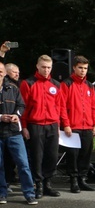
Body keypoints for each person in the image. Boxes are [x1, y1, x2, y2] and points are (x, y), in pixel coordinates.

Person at [20, 55, 71, 198]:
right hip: (35, 125)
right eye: (43, 67)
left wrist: (62, 125)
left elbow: (60, 106)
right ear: (37, 66)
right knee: (37, 156)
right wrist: (24, 127)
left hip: (52, 125)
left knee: (52, 156)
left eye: (49, 67)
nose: (46, 70)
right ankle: (39, 185)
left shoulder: (56, 84)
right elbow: (23, 107)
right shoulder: (28, 83)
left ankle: (48, 183)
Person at [60, 56, 95, 193]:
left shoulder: (89, 85)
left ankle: (82, 179)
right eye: (80, 68)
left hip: (87, 125)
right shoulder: (67, 84)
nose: (83, 71)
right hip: (73, 126)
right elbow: (62, 106)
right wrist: (66, 124)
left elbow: (93, 106)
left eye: (85, 68)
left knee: (86, 154)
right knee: (73, 155)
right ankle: (73, 181)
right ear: (74, 68)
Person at [0, 63, 37, 205]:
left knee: (23, 163)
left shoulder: (13, 88)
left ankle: (29, 193)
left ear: (5, 73)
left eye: (1, 71)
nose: (0, 74)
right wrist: (0, 117)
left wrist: (16, 115)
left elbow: (21, 105)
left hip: (14, 131)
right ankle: (2, 193)